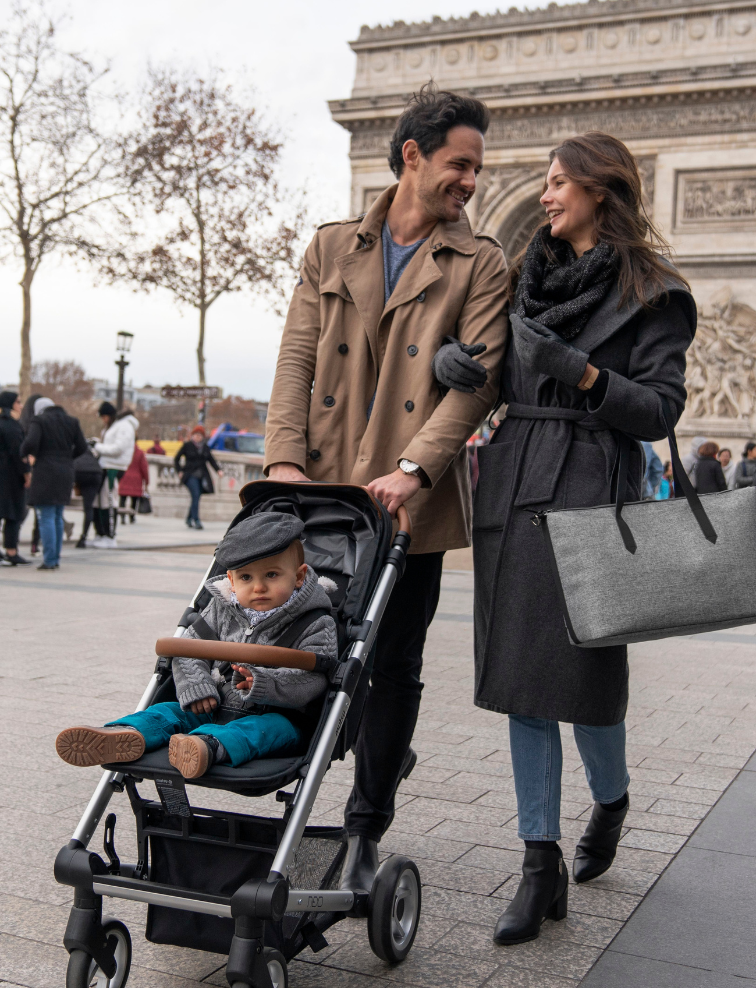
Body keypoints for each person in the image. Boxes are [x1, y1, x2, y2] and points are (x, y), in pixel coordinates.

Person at [263, 83, 508, 895]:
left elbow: (478, 382)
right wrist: (283, 462)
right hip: (326, 491)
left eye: (477, 169)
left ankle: (366, 825)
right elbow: (296, 357)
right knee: (315, 651)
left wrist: (413, 467)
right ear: (412, 155)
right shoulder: (332, 246)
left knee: (393, 663)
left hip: (412, 501)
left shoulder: (483, 262)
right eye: (459, 164)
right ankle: (351, 761)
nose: (470, 181)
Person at [466, 132, 696, 946]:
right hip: (514, 483)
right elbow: (507, 372)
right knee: (523, 685)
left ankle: (613, 795)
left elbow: (661, 411)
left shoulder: (656, 292)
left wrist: (586, 373)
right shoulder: (529, 277)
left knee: (588, 685)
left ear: (602, 191)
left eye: (561, 181)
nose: (548, 192)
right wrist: (469, 373)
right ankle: (539, 863)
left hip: (592, 492)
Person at [55, 514, 337, 777]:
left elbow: (312, 681)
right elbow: (188, 648)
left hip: (277, 716)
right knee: (167, 712)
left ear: (299, 576)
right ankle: (128, 734)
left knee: (259, 731)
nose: (258, 587)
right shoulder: (221, 608)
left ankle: (205, 747)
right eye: (246, 578)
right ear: (231, 579)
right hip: (212, 703)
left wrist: (263, 683)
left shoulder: (314, 622)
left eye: (271, 575)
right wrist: (197, 686)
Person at [20, 397, 87, 570]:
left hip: (45, 470)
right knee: (57, 515)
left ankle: (49, 560)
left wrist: (24, 453)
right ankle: (55, 558)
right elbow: (82, 446)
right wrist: (66, 458)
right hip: (66, 471)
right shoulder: (72, 421)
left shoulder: (39, 420)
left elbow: (31, 442)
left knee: (46, 515)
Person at [91, 402, 139, 548]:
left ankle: (110, 535)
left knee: (109, 501)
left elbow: (118, 448)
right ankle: (101, 534)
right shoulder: (116, 425)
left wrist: (97, 446)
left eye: (104, 417)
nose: (103, 420)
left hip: (114, 466)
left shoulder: (124, 426)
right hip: (107, 465)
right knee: (100, 501)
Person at [0, 391, 31, 566]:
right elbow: (19, 453)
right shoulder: (11, 426)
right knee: (13, 515)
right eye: (18, 402)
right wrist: (26, 474)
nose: (20, 405)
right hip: (10, 477)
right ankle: (12, 552)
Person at [174, 425, 223, 529]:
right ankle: (196, 520)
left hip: (202, 476)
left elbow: (211, 460)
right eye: (196, 435)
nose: (198, 437)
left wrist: (218, 470)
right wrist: (180, 471)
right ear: (193, 436)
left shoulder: (205, 447)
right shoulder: (187, 445)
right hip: (190, 475)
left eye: (200, 435)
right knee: (195, 494)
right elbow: (176, 459)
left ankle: (188, 518)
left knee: (196, 497)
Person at [20, 394, 43, 555]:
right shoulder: (42, 424)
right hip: (40, 471)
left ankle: (12, 541)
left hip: (24, 471)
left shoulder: (21, 425)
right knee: (40, 511)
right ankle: (35, 543)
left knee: (22, 508)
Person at [73, 445, 104, 548]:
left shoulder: (75, 447)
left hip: (78, 470)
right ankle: (83, 537)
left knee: (57, 505)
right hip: (96, 473)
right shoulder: (91, 451)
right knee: (89, 507)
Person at [118, 443, 149, 522]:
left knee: (122, 499)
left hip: (124, 477)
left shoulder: (124, 452)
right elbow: (144, 468)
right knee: (134, 500)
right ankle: (132, 517)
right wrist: (147, 481)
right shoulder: (140, 453)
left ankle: (122, 517)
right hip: (136, 479)